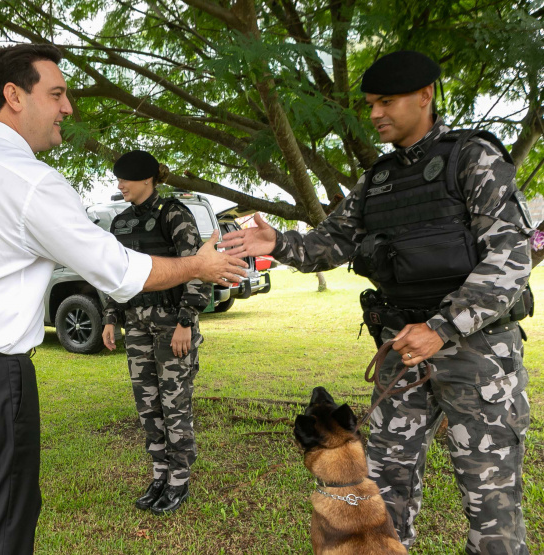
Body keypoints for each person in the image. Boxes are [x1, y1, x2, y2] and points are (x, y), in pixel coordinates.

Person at [0, 44, 245, 555]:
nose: (68, 108)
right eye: (56, 93)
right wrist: (201, 266)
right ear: (14, 95)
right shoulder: (28, 179)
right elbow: (118, 270)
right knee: (3, 527)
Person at [221, 50, 532, 554]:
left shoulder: (473, 158)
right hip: (401, 353)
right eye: (369, 104)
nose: (374, 114)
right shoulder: (378, 179)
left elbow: (510, 259)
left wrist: (442, 327)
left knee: (491, 503)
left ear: (426, 96)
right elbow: (331, 242)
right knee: (384, 490)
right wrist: (278, 243)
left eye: (386, 101)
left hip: (477, 355)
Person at [100, 150, 210, 514]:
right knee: (148, 406)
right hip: (137, 326)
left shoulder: (175, 214)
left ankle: (179, 480)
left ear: (147, 179)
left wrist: (185, 322)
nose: (119, 185)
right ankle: (159, 474)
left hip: (171, 325)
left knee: (174, 405)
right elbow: (115, 275)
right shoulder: (121, 223)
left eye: (125, 179)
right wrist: (111, 317)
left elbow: (199, 269)